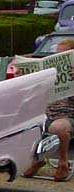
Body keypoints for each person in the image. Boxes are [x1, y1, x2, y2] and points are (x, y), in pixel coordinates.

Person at [22, 38, 74, 181]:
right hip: (45, 113)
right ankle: (37, 159)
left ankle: (63, 162)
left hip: (68, 115)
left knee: (58, 127)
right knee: (22, 124)